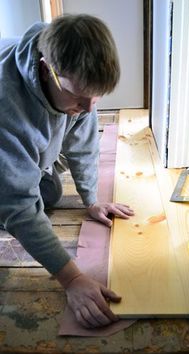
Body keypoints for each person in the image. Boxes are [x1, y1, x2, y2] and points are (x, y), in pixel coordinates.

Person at [0, 14, 134, 329]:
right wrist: (72, 278)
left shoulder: (75, 76)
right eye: (79, 97)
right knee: (18, 206)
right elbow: (18, 206)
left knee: (50, 193)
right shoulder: (8, 109)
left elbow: (83, 142)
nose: (90, 108)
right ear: (48, 70)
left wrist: (91, 199)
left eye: (96, 97)